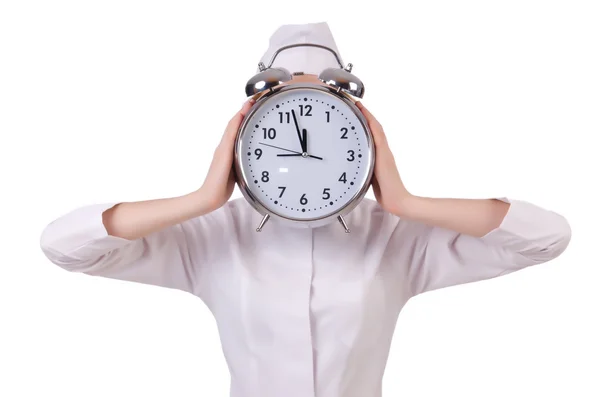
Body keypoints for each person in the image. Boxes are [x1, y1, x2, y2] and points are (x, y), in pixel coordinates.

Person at [40, 22, 571, 397]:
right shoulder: (210, 239)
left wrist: (405, 201)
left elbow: (547, 238)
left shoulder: (398, 240)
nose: (308, 151)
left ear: (360, 134)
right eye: (284, 122)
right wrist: (201, 198)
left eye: (329, 124)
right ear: (246, 135)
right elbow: (64, 248)